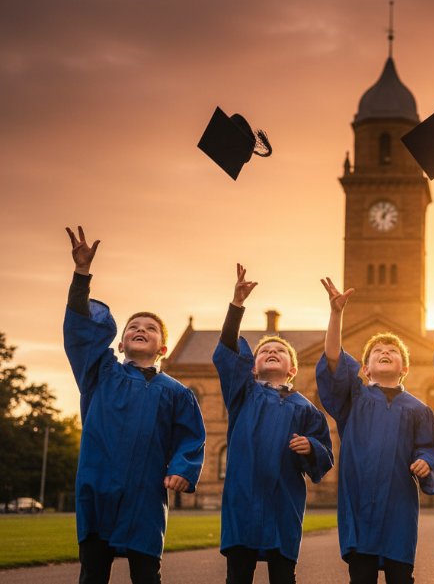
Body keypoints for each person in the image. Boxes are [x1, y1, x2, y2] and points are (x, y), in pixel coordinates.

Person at [63, 226, 205, 584]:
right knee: (93, 571)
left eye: (151, 328)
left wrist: (183, 469)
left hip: (145, 494)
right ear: (121, 343)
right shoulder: (100, 372)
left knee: (146, 573)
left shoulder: (176, 392)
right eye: (132, 327)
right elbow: (80, 330)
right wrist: (82, 275)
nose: (140, 329)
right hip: (98, 486)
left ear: (163, 349)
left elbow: (191, 436)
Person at [316, 277, 434, 584]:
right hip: (359, 503)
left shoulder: (418, 409)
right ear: (365, 368)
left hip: (398, 507)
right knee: (361, 576)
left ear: (404, 368)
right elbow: (333, 359)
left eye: (392, 350)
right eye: (377, 351)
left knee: (400, 575)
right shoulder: (354, 399)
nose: (385, 352)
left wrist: (426, 462)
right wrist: (336, 314)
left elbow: (430, 448)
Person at [213, 264, 334, 584]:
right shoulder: (242, 394)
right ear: (250, 367)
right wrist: (236, 306)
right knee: (238, 574)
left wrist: (311, 447)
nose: (271, 352)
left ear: (292, 369)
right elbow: (227, 350)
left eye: (280, 350)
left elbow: (325, 453)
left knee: (283, 575)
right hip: (242, 499)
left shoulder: (307, 409)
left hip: (284, 502)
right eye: (265, 349)